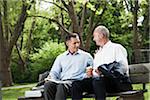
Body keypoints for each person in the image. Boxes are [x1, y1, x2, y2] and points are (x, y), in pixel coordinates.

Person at [44, 33, 93, 100]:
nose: (77, 45)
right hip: (62, 81)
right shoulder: (61, 57)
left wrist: (87, 75)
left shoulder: (87, 56)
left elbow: (91, 73)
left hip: (75, 82)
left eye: (78, 42)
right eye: (74, 43)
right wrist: (51, 77)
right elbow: (54, 72)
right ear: (68, 43)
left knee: (61, 86)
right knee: (48, 85)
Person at [92, 25, 132, 100]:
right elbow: (96, 71)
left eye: (95, 36)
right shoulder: (98, 53)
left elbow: (123, 67)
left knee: (98, 82)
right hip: (99, 82)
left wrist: (104, 71)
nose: (94, 39)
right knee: (77, 84)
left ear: (101, 35)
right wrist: (92, 72)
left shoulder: (116, 48)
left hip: (116, 82)